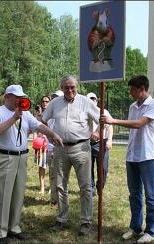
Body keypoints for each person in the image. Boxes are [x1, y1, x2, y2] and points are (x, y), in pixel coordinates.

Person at [0, 84, 62, 243]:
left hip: (21, 157)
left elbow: (39, 125)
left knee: (18, 194)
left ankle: (14, 227)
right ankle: (0, 232)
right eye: (17, 97)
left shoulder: (26, 113)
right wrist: (14, 117)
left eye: (22, 97)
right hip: (4, 157)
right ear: (7, 96)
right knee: (2, 195)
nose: (20, 100)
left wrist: (53, 134)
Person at [100, 75, 154, 244]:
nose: (130, 93)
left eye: (133, 90)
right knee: (134, 194)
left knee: (151, 195)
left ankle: (150, 231)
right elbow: (133, 126)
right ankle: (135, 227)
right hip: (132, 156)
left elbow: (139, 124)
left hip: (147, 156)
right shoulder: (133, 106)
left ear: (142, 89)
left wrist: (113, 121)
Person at [42, 75, 100, 236]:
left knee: (85, 187)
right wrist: (51, 135)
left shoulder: (85, 102)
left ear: (77, 87)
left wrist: (96, 132)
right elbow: (43, 120)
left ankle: (86, 221)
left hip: (81, 148)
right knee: (60, 185)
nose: (70, 90)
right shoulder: (55, 103)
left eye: (72, 87)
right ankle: (62, 218)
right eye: (66, 87)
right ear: (61, 88)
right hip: (60, 149)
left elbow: (102, 119)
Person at [86, 92, 113, 195]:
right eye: (90, 99)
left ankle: (99, 187)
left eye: (94, 99)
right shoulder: (83, 113)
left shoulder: (104, 112)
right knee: (88, 168)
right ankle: (91, 189)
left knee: (103, 168)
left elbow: (110, 126)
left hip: (101, 143)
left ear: (96, 101)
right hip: (87, 143)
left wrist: (109, 140)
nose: (92, 101)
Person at [48, 90, 64, 205]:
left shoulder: (63, 114)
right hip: (51, 148)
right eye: (53, 97)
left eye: (56, 97)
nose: (54, 99)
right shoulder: (49, 115)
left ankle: (61, 199)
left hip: (62, 148)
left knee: (62, 175)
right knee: (53, 174)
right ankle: (54, 199)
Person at [35, 95, 51, 194]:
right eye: (43, 101)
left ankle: (51, 187)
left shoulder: (53, 113)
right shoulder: (38, 116)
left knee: (52, 167)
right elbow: (35, 128)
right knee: (41, 166)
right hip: (41, 142)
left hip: (51, 143)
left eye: (47, 101)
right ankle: (42, 187)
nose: (45, 103)